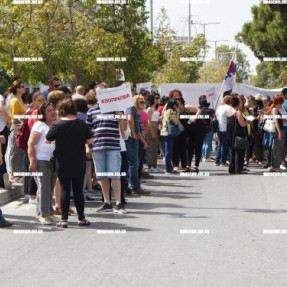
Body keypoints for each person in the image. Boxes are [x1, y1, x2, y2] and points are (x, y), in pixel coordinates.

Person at [46, 99, 93, 228]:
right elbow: (90, 139)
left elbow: (48, 139)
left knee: (65, 189)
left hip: (62, 161)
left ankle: (64, 219)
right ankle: (81, 218)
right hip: (78, 160)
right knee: (78, 190)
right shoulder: (81, 124)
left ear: (61, 110)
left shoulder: (57, 124)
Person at [86, 93, 128, 213]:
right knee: (102, 176)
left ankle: (119, 203)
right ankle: (107, 202)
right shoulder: (92, 111)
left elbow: (124, 128)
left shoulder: (116, 110)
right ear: (96, 96)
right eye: (99, 93)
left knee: (115, 175)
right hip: (97, 147)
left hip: (113, 146)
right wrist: (87, 147)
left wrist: (119, 117)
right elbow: (87, 131)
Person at [28, 103, 58, 224]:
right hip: (41, 161)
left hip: (53, 161)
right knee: (43, 187)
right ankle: (42, 215)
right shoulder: (39, 125)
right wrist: (33, 161)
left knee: (49, 188)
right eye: (49, 110)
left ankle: (49, 213)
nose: (52, 112)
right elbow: (31, 144)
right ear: (43, 114)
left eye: (53, 110)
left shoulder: (55, 125)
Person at [125, 82, 150, 195]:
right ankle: (135, 186)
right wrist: (132, 133)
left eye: (133, 89)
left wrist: (142, 140)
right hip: (130, 139)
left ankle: (127, 186)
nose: (133, 91)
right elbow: (130, 119)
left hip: (128, 138)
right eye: (130, 89)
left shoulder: (128, 106)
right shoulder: (129, 106)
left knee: (128, 163)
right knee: (133, 163)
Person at [6, 79, 26, 183]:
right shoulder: (14, 100)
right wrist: (26, 116)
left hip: (20, 127)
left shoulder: (19, 99)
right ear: (18, 89)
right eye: (22, 87)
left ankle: (17, 174)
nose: (24, 88)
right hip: (16, 126)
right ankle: (13, 175)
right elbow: (14, 116)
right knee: (15, 152)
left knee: (20, 152)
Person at [226, 96, 251, 174]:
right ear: (238, 103)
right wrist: (249, 122)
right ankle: (239, 169)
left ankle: (232, 168)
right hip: (238, 134)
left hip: (231, 134)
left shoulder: (230, 111)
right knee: (240, 152)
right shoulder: (238, 112)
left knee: (233, 152)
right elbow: (242, 124)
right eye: (240, 102)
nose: (242, 103)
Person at [266, 95, 285, 172]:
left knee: (275, 148)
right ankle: (276, 166)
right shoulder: (275, 109)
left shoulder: (275, 108)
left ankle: (273, 166)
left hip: (277, 130)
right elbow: (276, 121)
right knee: (277, 149)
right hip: (277, 131)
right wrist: (280, 132)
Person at [160, 99, 180, 174]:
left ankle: (169, 167)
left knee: (167, 150)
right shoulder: (171, 111)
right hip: (168, 133)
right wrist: (177, 113)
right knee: (169, 151)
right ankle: (168, 169)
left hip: (164, 132)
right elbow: (176, 122)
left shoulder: (165, 111)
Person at [146, 94, 161, 172]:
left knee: (155, 147)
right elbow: (148, 121)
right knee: (150, 148)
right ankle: (150, 166)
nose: (158, 99)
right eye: (156, 98)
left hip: (156, 126)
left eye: (158, 98)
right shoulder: (149, 109)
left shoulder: (156, 108)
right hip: (151, 128)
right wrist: (152, 132)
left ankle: (154, 165)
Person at [215, 95, 232, 166]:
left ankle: (217, 160)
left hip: (219, 127)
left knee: (220, 144)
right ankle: (223, 160)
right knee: (224, 145)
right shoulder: (229, 108)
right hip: (226, 128)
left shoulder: (220, 107)